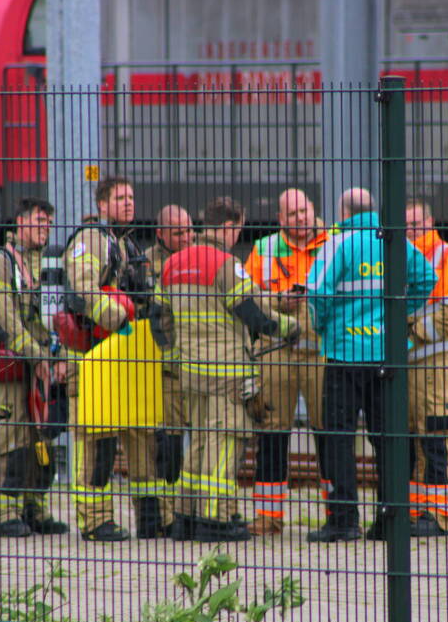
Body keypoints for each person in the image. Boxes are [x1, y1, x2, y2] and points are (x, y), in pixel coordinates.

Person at [156, 196, 300, 542]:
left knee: (200, 441)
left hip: (191, 371)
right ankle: (216, 519)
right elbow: (253, 313)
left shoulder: (173, 263)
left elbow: (159, 321)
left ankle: (185, 517)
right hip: (227, 373)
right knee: (224, 443)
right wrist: (288, 327)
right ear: (228, 227)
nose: (239, 236)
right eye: (239, 229)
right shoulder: (225, 264)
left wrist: (175, 356)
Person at [304, 188, 436, 542]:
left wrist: (324, 327)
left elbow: (316, 292)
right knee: (389, 438)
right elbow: (427, 279)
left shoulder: (339, 243)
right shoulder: (394, 240)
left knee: (338, 438)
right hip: (386, 355)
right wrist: (396, 315)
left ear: (343, 211)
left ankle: (344, 521)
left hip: (344, 354)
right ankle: (390, 520)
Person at [62, 176, 167, 541]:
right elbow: (83, 288)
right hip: (94, 358)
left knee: (142, 436)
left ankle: (151, 519)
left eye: (131, 197)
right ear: (102, 204)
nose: (128, 203)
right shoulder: (91, 239)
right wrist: (119, 316)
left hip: (126, 359)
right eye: (120, 197)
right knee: (97, 441)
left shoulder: (126, 244)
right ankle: (94, 521)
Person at [0, 197, 69, 538]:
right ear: (19, 222)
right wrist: (38, 355)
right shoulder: (0, 264)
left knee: (38, 440)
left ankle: (33, 508)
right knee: (8, 441)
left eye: (48, 222)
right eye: (39, 220)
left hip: (33, 367)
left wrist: (55, 357)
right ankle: (2, 514)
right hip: (9, 368)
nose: (44, 227)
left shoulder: (36, 265)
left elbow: (39, 322)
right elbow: (8, 320)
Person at [243, 188, 329, 536]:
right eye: (292, 214)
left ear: (313, 210)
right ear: (280, 219)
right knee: (272, 431)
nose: (301, 218)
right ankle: (268, 516)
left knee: (329, 432)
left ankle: (337, 512)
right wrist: (277, 302)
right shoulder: (262, 250)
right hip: (276, 352)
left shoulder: (333, 241)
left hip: (321, 353)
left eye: (305, 211)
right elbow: (246, 296)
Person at [405, 199, 448, 536]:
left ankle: (439, 515)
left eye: (417, 223)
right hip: (406, 370)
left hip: (432, 370)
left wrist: (412, 330)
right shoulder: (396, 257)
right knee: (410, 443)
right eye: (407, 225)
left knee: (435, 439)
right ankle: (416, 514)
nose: (412, 230)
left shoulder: (447, 257)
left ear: (430, 220)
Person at [144, 205, 194, 483]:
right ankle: (169, 501)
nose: (187, 237)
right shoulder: (147, 264)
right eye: (178, 233)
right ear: (160, 233)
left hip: (200, 360)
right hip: (167, 365)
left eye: (189, 230)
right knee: (170, 434)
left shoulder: (199, 258)